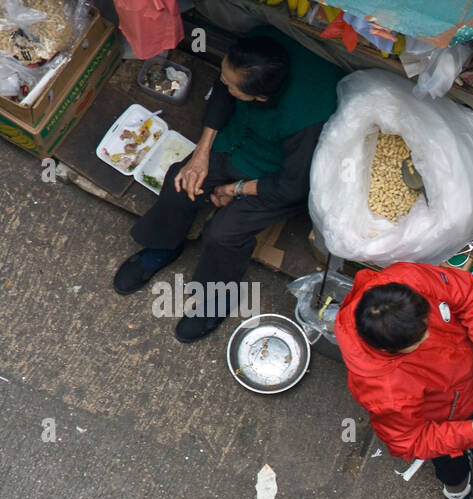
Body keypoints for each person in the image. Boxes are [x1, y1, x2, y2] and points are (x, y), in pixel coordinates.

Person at [112, 28, 343, 343]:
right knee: (181, 182)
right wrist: (201, 155)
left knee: (223, 233)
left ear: (259, 97)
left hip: (276, 173)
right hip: (237, 141)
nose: (224, 83)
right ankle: (164, 245)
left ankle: (215, 298)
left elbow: (292, 186)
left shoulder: (306, 120)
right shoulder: (251, 55)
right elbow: (221, 92)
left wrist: (234, 190)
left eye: (234, 86)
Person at [334, 262, 473, 499]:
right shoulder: (384, 391)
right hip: (445, 419)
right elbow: (410, 440)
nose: (430, 335)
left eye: (426, 322)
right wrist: (470, 432)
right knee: (451, 465)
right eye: (418, 341)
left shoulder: (408, 278)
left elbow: (470, 295)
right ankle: (457, 491)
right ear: (389, 351)